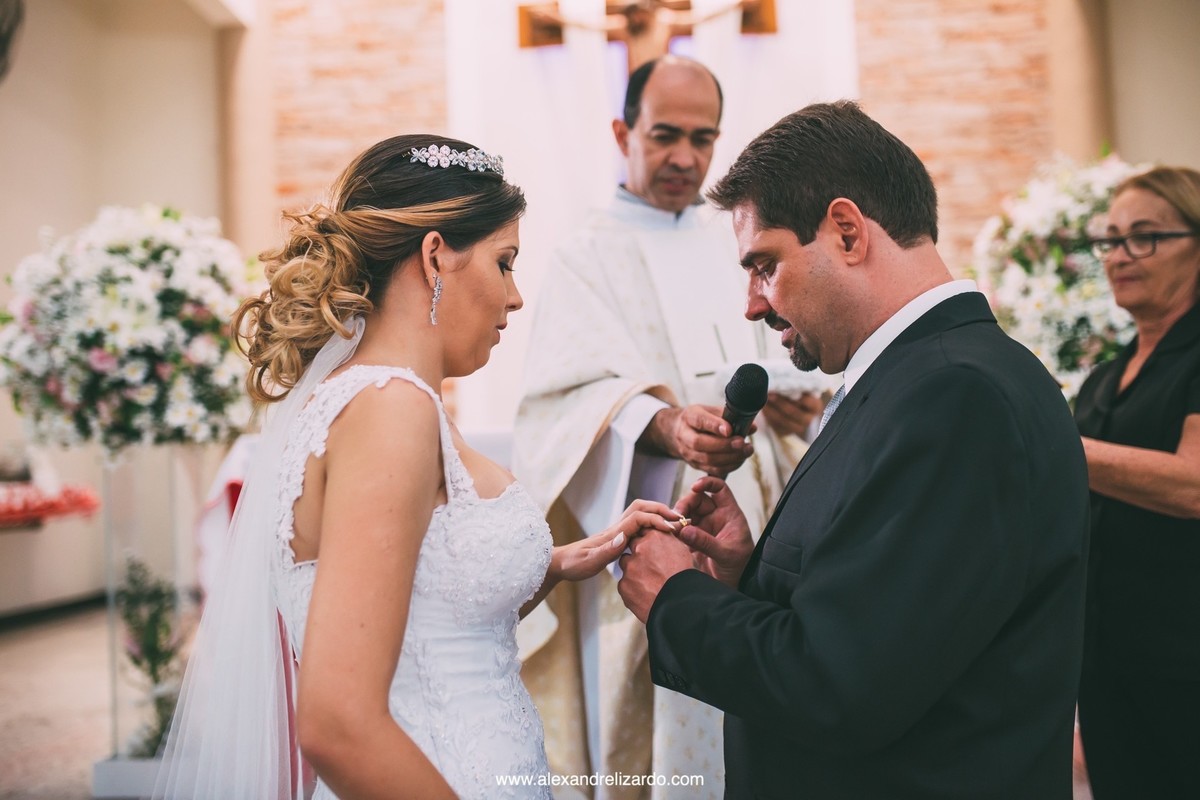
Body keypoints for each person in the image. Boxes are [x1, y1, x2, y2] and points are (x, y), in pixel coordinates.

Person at [151, 134, 684, 799]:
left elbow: (421, 624)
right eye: (505, 262)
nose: (515, 298)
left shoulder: (372, 398)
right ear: (436, 256)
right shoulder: (390, 411)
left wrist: (555, 563)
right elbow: (336, 722)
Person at [616, 100, 1092, 799]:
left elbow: (840, 688)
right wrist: (753, 575)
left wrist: (675, 600)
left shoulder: (955, 397)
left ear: (845, 231)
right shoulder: (921, 374)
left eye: (764, 265)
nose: (752, 303)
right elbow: (896, 616)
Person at [514, 56, 820, 796]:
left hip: (762, 509)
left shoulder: (736, 241)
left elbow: (775, 347)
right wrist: (664, 424)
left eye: (703, 137)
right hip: (656, 516)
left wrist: (791, 391)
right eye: (665, 135)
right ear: (624, 132)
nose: (686, 156)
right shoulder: (587, 253)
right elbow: (563, 399)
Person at [1074, 166, 1200, 799]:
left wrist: (1050, 446)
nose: (1120, 255)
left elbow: (1194, 483)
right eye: (1111, 238)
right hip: (1107, 661)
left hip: (1186, 662)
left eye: (1145, 236)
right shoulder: (1105, 378)